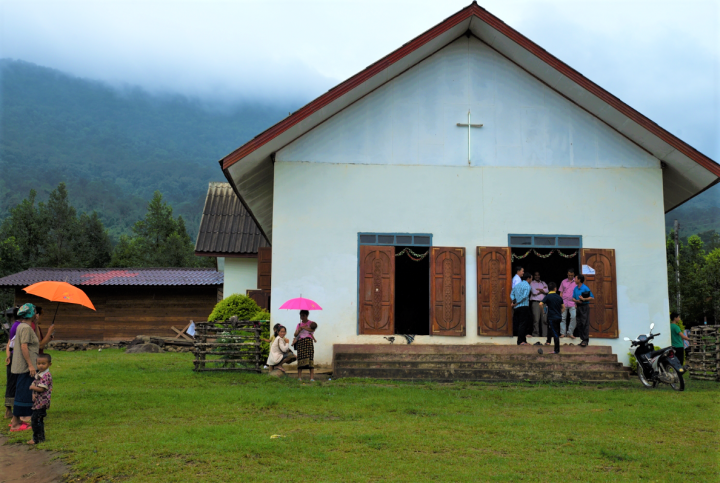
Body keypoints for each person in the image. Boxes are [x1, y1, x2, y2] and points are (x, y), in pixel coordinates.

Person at [9, 304, 40, 432]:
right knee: (23, 393)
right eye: (35, 312)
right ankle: (16, 423)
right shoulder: (26, 328)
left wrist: (36, 324)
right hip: (25, 367)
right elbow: (24, 347)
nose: (36, 314)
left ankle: (16, 420)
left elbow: (35, 340)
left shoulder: (23, 326)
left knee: (22, 392)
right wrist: (31, 365)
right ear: (30, 314)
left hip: (23, 366)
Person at [27, 353, 52, 445]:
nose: (40, 366)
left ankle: (36, 439)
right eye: (39, 363)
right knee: (38, 420)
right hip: (38, 401)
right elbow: (35, 382)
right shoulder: (39, 374)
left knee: (35, 420)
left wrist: (32, 388)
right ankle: (40, 438)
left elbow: (41, 388)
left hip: (42, 402)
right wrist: (33, 393)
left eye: (43, 363)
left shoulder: (46, 376)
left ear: (49, 364)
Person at [540, 282, 565, 354]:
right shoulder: (559, 297)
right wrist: (560, 313)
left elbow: (540, 304)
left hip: (552, 317)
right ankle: (548, 341)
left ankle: (556, 350)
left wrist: (543, 312)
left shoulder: (548, 296)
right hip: (558, 317)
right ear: (555, 289)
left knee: (555, 333)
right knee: (552, 329)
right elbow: (563, 307)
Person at [294, 310, 316, 381]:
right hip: (301, 342)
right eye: (301, 315)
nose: (302, 317)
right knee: (300, 359)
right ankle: (299, 377)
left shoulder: (311, 323)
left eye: (303, 315)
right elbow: (295, 334)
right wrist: (299, 330)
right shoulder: (299, 325)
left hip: (308, 342)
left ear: (307, 315)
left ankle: (311, 378)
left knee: (310, 359)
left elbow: (312, 329)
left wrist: (304, 328)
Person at [572, 275, 594, 348]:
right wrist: (577, 301)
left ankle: (585, 340)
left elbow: (592, 297)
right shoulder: (575, 288)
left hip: (584, 307)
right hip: (578, 307)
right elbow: (573, 298)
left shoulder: (585, 288)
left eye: (575, 278)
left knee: (585, 323)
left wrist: (584, 299)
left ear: (579, 280)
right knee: (579, 323)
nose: (574, 280)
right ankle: (582, 339)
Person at [511, 273, 533, 345]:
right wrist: (517, 302)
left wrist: (514, 301)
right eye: (531, 278)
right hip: (523, 307)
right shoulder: (527, 286)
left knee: (520, 324)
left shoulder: (517, 285)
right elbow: (524, 296)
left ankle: (523, 340)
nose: (531, 280)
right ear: (528, 278)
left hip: (517, 308)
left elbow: (511, 294)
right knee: (523, 324)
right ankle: (521, 341)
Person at [558, 268, 577, 339]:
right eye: (569, 275)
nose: (570, 276)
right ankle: (563, 333)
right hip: (564, 303)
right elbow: (561, 292)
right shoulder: (563, 281)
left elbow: (578, 292)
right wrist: (560, 302)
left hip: (573, 303)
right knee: (562, 318)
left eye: (571, 275)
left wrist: (577, 303)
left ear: (574, 274)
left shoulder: (576, 282)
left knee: (574, 317)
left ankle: (570, 333)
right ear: (567, 274)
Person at [530, 272, 548, 338]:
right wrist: (543, 290)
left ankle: (544, 335)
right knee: (536, 320)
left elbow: (547, 290)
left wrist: (540, 290)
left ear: (540, 275)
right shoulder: (532, 283)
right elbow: (534, 292)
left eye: (538, 275)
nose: (537, 276)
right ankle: (536, 335)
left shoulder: (543, 283)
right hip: (536, 303)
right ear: (534, 276)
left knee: (544, 320)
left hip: (543, 303)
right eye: (536, 275)